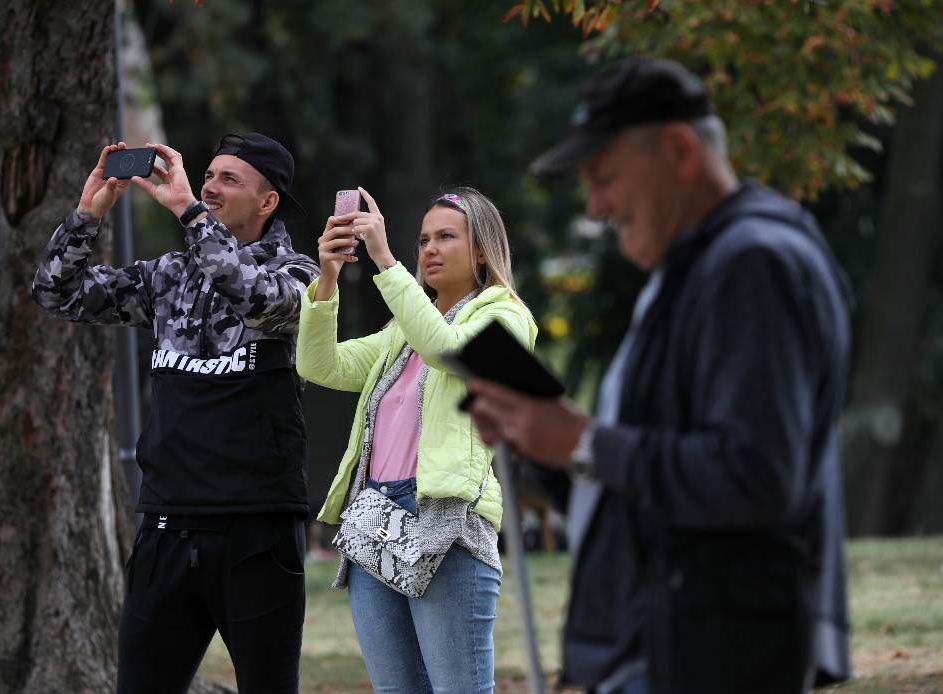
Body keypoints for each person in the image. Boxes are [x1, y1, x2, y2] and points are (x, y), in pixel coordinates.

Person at [466, 57, 853, 694]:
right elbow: (648, 484)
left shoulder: (752, 263)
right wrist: (544, 448)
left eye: (606, 178)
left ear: (678, 150)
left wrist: (583, 442)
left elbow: (756, 476)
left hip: (715, 653)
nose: (595, 206)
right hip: (672, 640)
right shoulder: (699, 267)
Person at [31, 133, 320, 694]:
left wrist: (190, 212)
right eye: (207, 176)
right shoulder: (169, 276)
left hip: (255, 531)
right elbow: (55, 293)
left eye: (228, 179)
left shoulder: (304, 274)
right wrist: (87, 214)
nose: (209, 187)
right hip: (166, 526)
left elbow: (255, 297)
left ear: (268, 202)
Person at [296, 186, 536, 693]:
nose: (429, 248)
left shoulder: (508, 317)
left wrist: (383, 260)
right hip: (373, 518)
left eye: (446, 236)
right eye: (423, 238)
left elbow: (448, 351)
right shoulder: (404, 328)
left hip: (444, 520)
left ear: (480, 250)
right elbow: (320, 365)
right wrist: (327, 281)